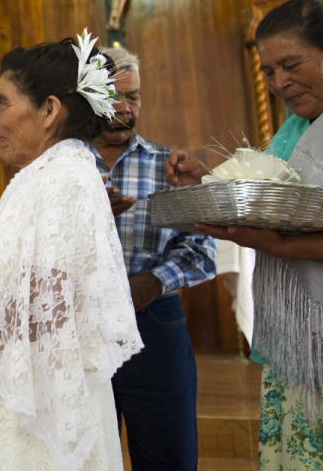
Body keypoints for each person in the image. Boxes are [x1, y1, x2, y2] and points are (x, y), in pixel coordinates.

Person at [168, 0, 323, 470]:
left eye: (291, 64)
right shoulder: (294, 128)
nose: (280, 82)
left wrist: (284, 247)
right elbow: (276, 201)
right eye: (268, 71)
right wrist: (208, 182)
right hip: (301, 344)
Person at [0, 35, 143, 470]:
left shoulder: (67, 179)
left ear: (49, 110)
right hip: (13, 393)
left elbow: (50, 305)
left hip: (39, 409)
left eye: (4, 103)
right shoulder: (36, 178)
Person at [83, 45, 216, 470]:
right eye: (112, 96)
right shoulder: (61, 168)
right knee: (82, 456)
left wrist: (154, 283)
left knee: (167, 456)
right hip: (77, 328)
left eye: (134, 96)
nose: (124, 107)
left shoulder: (169, 166)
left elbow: (202, 249)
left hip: (154, 325)